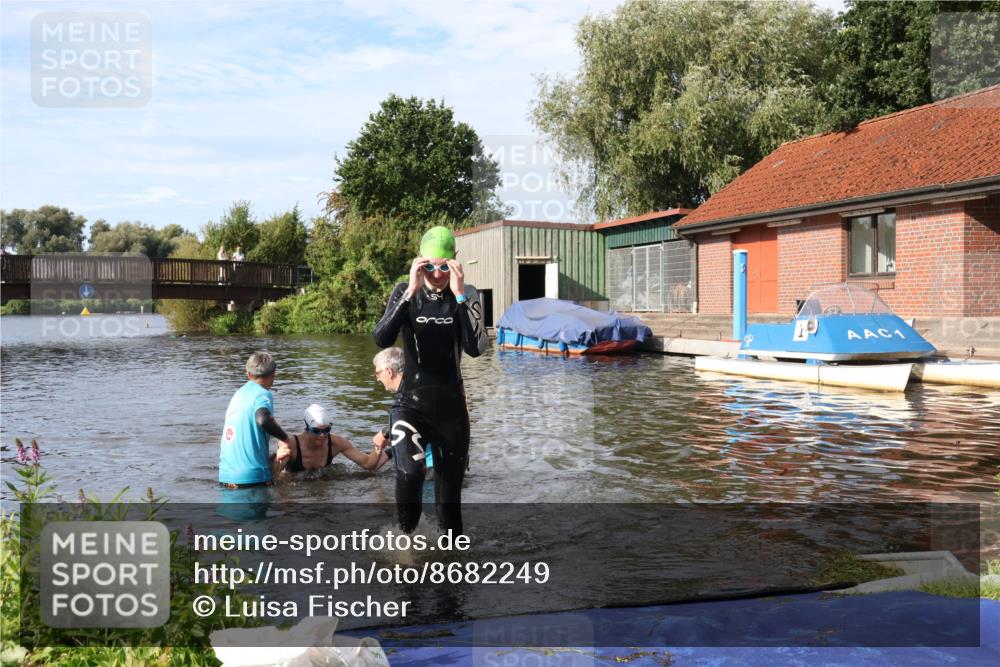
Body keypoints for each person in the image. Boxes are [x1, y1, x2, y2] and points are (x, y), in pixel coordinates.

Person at [372, 226, 488, 534]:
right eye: (430, 266)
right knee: (409, 474)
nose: (437, 274)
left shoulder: (467, 293)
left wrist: (461, 295)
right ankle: (405, 547)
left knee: (449, 506)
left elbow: (477, 348)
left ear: (455, 262)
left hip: (450, 410)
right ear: (420, 262)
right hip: (410, 405)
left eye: (444, 266)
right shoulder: (404, 291)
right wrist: (410, 290)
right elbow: (382, 338)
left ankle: (453, 572)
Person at [219, 351, 295, 488]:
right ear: (273, 375)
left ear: (248, 374)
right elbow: (263, 420)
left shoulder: (238, 395)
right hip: (252, 479)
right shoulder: (263, 394)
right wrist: (285, 438)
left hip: (226, 477)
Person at [273, 404, 386, 475]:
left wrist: (379, 446)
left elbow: (368, 464)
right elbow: (272, 475)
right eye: (317, 431)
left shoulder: (336, 443)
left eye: (327, 430)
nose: (322, 435)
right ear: (306, 429)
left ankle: (390, 453)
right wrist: (277, 460)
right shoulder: (291, 445)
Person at [371, 347, 432, 478]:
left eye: (378, 373)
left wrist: (385, 433)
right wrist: (388, 454)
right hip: (448, 463)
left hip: (431, 469)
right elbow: (421, 428)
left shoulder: (407, 398)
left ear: (388, 372)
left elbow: (418, 420)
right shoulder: (419, 386)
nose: (377, 379)